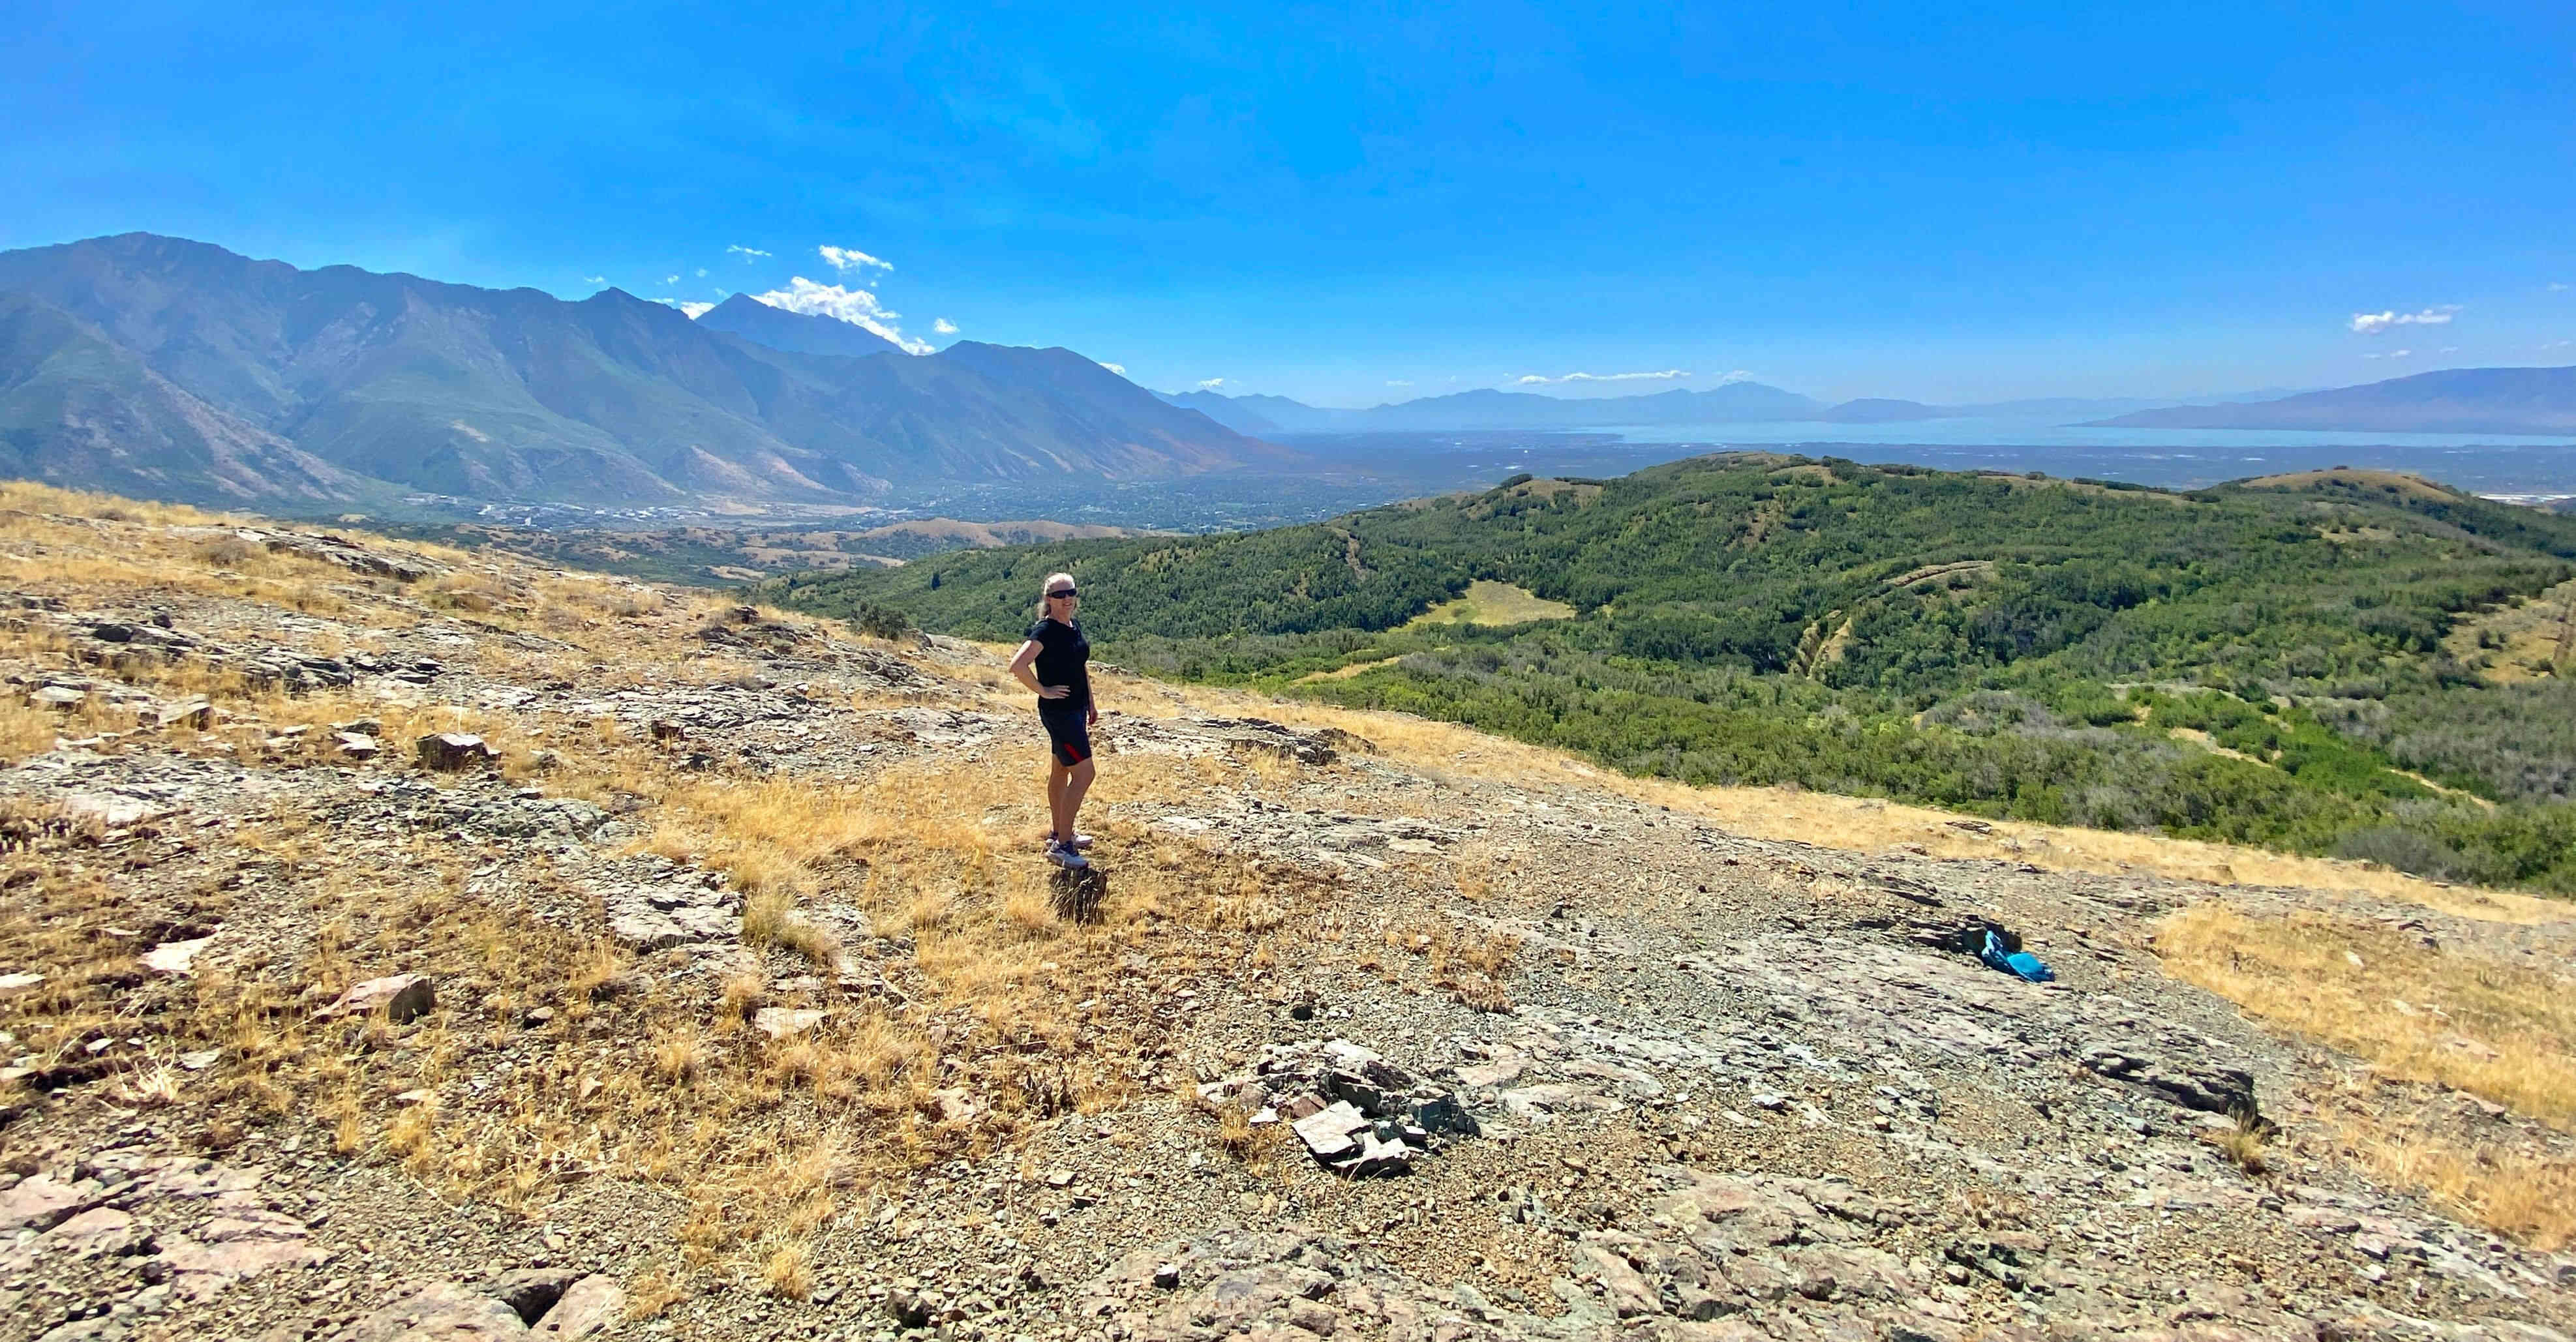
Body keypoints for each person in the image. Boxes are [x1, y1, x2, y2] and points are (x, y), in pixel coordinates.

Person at [1007, 572, 1097, 869]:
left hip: (1076, 710)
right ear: (1048, 599)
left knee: (1061, 770)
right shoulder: (1045, 631)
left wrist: (1090, 702)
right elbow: (1018, 666)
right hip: (1060, 715)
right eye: (1059, 595)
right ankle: (1063, 846)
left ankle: (1059, 832)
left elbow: (1080, 667)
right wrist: (1043, 690)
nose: (1067, 598)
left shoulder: (1073, 625)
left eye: (1071, 592)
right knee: (1084, 774)